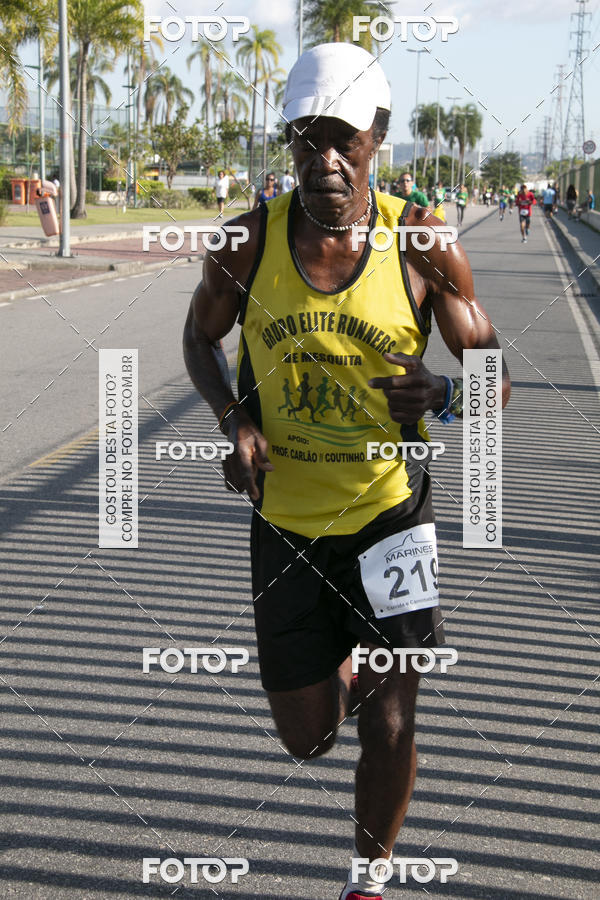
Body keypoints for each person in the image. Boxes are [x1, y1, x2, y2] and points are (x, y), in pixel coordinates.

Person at [183, 40, 510, 900]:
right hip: (288, 521)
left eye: (345, 140)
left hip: (392, 517)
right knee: (307, 739)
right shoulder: (246, 243)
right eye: (305, 140)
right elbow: (198, 339)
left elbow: (495, 377)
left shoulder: (423, 244)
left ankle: (368, 880)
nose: (325, 160)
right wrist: (234, 418)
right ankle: (341, 671)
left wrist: (443, 391)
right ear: (288, 142)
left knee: (397, 717)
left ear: (379, 139)